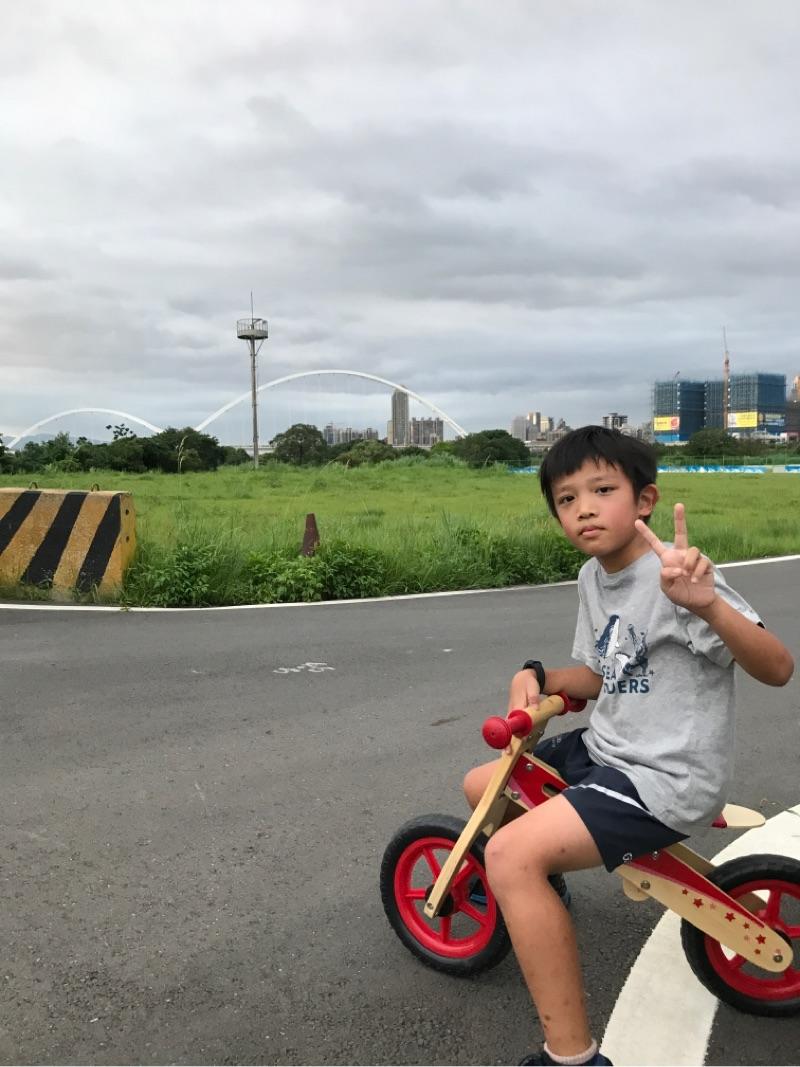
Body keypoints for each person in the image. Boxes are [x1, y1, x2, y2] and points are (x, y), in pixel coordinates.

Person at [462, 425, 794, 1067]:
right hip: (609, 749)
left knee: (506, 853)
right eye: (566, 499)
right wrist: (538, 677)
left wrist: (708, 606)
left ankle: (573, 1056)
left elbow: (778, 667)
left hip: (663, 777)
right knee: (484, 786)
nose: (583, 509)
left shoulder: (677, 577)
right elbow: (601, 674)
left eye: (602, 490)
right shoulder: (593, 577)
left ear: (644, 501)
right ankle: (542, 893)